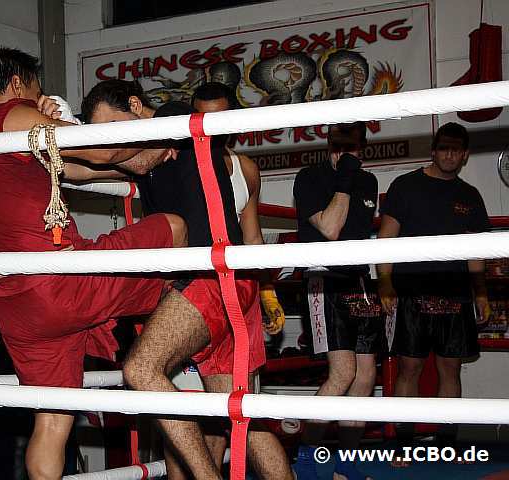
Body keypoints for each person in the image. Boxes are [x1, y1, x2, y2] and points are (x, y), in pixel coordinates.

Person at [0, 46, 188, 480]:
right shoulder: (12, 116)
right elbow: (95, 152)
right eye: (35, 90)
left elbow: (73, 170)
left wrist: (135, 167)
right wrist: (163, 133)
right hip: (57, 283)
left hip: (9, 303)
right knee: (172, 228)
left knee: (53, 419)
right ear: (17, 83)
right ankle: (185, 331)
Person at [82, 79, 292, 480]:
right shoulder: (140, 150)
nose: (111, 143)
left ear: (135, 105)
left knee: (141, 370)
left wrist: (80, 144)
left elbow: (143, 155)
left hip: (212, 279)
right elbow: (95, 163)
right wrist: (52, 140)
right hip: (225, 281)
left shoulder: (173, 119)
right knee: (236, 412)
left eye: (113, 127)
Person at [377, 122, 490, 462]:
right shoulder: (406, 186)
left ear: (465, 155)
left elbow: (475, 252)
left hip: (455, 294)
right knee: (409, 369)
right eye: (444, 148)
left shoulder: (469, 196)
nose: (450, 154)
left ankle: (448, 445)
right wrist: (384, 282)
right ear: (434, 149)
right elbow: (386, 238)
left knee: (450, 370)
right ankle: (401, 446)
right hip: (412, 291)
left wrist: (481, 293)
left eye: (456, 149)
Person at [292, 122, 381, 480]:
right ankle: (307, 464)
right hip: (324, 278)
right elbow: (330, 228)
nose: (346, 153)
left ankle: (347, 466)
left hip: (359, 280)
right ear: (329, 145)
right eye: (340, 145)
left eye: (353, 147)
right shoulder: (310, 177)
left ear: (362, 147)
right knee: (342, 373)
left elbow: (359, 233)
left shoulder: (370, 182)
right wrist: (344, 176)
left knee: (365, 375)